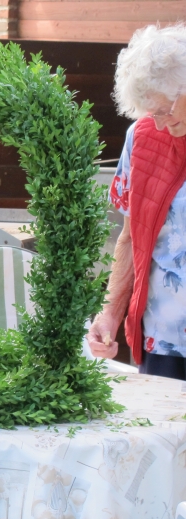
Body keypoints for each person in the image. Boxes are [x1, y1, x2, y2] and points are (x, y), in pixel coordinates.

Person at [88, 25, 186, 380]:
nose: (159, 122)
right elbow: (132, 238)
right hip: (163, 340)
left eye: (164, 109)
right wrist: (109, 315)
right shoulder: (142, 138)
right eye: (150, 113)